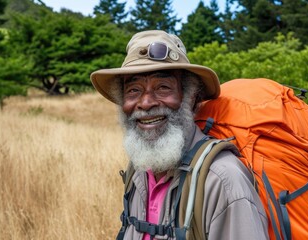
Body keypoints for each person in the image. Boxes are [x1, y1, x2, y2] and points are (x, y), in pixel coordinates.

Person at [90, 30, 268, 240]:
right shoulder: (138, 171)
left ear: (191, 98)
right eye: (133, 90)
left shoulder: (222, 181)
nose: (146, 103)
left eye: (163, 87)